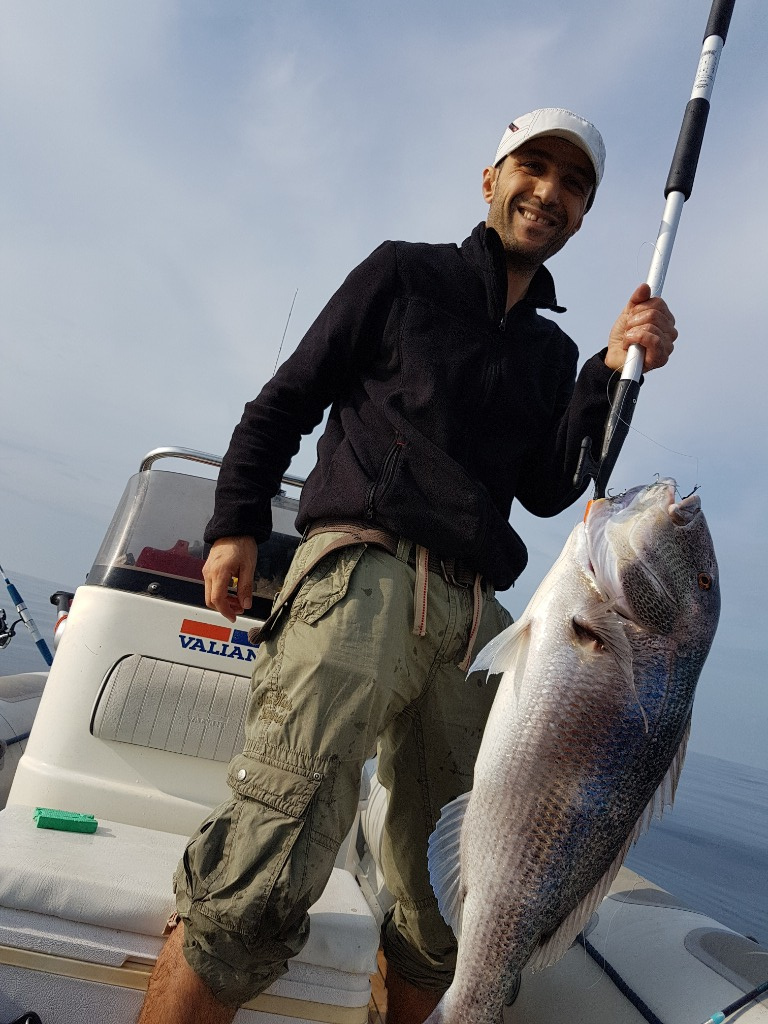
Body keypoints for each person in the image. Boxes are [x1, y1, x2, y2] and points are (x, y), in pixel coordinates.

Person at [138, 107, 677, 1024]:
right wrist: (235, 521)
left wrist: (605, 370)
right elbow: (288, 398)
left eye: (573, 184)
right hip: (362, 577)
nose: (548, 192)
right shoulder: (403, 274)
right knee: (269, 858)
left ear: (583, 214)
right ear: (491, 180)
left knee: (448, 900)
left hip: (478, 626)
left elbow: (548, 488)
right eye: (533, 168)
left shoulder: (550, 353)